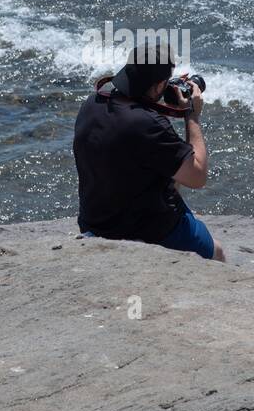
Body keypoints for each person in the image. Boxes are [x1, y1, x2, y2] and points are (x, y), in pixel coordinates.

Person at [72, 39, 224, 262]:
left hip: (94, 221)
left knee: (167, 168)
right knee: (217, 252)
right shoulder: (147, 124)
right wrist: (192, 115)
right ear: (156, 86)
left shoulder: (92, 102)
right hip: (144, 229)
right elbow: (198, 176)